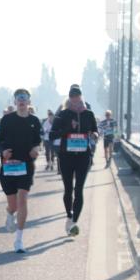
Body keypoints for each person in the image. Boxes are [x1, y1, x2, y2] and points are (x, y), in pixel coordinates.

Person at [0, 89, 43, 253]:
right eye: (18, 98)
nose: (21, 101)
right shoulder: (7, 120)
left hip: (26, 165)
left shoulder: (34, 121)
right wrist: (3, 151)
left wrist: (36, 149)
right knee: (13, 205)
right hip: (9, 166)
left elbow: (38, 140)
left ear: (29, 101)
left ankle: (19, 240)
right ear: (15, 102)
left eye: (24, 98)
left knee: (23, 199)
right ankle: (10, 213)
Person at [50, 85, 97, 237]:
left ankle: (74, 222)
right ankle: (69, 216)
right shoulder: (63, 114)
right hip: (66, 157)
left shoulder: (88, 113)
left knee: (79, 189)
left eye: (78, 96)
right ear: (69, 98)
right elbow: (52, 135)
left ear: (81, 97)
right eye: (73, 96)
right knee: (68, 189)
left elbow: (95, 129)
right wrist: (67, 130)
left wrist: (94, 135)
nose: (76, 99)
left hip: (83, 156)